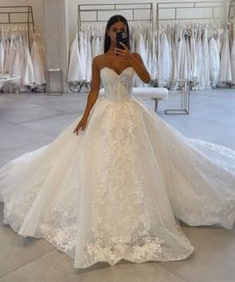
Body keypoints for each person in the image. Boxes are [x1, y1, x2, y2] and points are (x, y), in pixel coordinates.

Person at [0, 15, 235, 269]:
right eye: (115, 30)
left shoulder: (135, 57)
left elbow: (146, 79)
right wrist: (85, 116)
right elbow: (93, 90)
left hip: (134, 114)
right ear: (108, 33)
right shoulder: (98, 60)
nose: (119, 33)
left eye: (123, 30)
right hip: (107, 112)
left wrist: (132, 58)